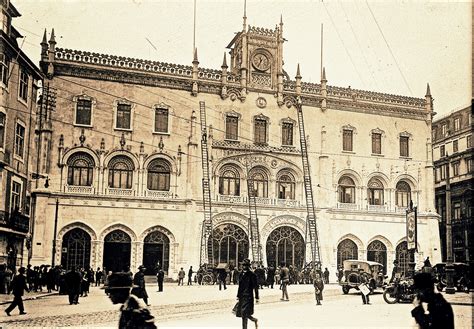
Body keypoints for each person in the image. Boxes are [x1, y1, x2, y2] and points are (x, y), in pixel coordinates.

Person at [236, 259, 259, 329]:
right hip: (242, 297)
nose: (243, 267)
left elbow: (255, 287)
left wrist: (257, 297)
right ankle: (254, 320)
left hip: (248, 297)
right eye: (243, 265)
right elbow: (240, 286)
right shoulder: (240, 274)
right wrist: (238, 295)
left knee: (244, 314)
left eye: (245, 265)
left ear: (248, 266)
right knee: (244, 313)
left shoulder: (252, 275)